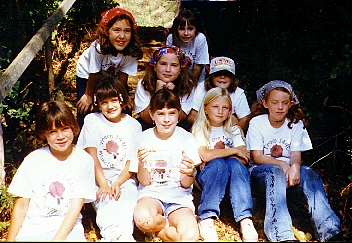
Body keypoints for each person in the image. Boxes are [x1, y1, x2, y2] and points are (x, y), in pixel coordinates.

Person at [246, 80, 342, 242]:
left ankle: (330, 230)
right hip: (261, 172)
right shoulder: (257, 123)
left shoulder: (296, 124)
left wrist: (295, 166)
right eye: (275, 103)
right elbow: (257, 157)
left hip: (289, 173)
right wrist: (283, 164)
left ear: (290, 104)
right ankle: (280, 233)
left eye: (284, 103)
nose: (280, 107)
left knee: (308, 173)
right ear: (265, 103)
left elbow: (296, 155)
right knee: (275, 172)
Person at [6, 101, 96, 241]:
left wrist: (57, 240)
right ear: (44, 134)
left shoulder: (84, 160)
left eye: (65, 129)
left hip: (67, 231)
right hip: (33, 230)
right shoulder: (33, 160)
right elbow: (22, 205)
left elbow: (75, 206)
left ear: (73, 128)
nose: (60, 137)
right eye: (53, 132)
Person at [77, 77, 142, 241]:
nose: (110, 106)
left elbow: (131, 162)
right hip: (96, 176)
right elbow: (91, 154)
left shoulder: (134, 125)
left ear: (122, 100)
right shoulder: (92, 120)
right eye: (104, 102)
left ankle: (123, 236)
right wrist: (104, 183)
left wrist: (118, 183)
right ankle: (113, 235)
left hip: (124, 177)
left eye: (114, 100)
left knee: (127, 200)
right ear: (98, 104)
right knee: (106, 200)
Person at [133, 88, 201, 242]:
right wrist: (143, 163)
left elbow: (185, 183)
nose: (166, 119)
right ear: (152, 115)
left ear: (179, 114)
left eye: (171, 113)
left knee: (190, 236)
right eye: (160, 114)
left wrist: (191, 172)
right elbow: (144, 182)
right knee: (143, 220)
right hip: (151, 195)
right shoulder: (143, 138)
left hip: (179, 198)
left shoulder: (187, 139)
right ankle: (163, 228)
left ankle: (158, 231)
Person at [191, 87, 258, 242]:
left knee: (234, 164)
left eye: (225, 108)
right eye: (215, 106)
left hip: (234, 177)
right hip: (209, 177)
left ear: (230, 111)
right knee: (220, 164)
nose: (220, 111)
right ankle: (206, 217)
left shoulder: (233, 129)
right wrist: (233, 151)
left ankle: (245, 219)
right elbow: (204, 154)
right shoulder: (200, 128)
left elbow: (244, 158)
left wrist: (214, 156)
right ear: (205, 108)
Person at [76, 7, 143, 128]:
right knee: (86, 106)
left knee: (123, 105)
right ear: (107, 31)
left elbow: (123, 76)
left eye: (127, 31)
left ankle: (119, 130)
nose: (122, 36)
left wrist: (121, 96)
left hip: (113, 76)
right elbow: (94, 73)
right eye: (116, 30)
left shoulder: (132, 51)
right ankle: (82, 132)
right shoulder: (98, 47)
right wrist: (89, 95)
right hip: (88, 75)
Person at [134, 45, 195, 131]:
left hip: (175, 126)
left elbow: (180, 117)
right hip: (148, 127)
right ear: (155, 66)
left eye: (174, 65)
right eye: (163, 64)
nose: (168, 69)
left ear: (180, 69)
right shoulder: (144, 83)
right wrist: (157, 93)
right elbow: (146, 118)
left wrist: (173, 95)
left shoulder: (187, 85)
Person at [187, 56, 251, 133]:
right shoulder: (201, 88)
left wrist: (230, 129)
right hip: (205, 129)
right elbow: (191, 116)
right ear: (211, 76)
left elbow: (244, 121)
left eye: (227, 74)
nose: (222, 77)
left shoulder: (238, 93)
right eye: (218, 73)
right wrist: (214, 125)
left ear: (232, 78)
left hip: (229, 132)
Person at [166, 8, 210, 85]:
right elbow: (168, 61)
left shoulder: (200, 38)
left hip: (197, 81)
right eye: (181, 29)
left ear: (196, 29)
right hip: (176, 79)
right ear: (176, 29)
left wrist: (192, 87)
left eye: (190, 29)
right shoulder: (171, 38)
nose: (186, 33)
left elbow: (198, 65)